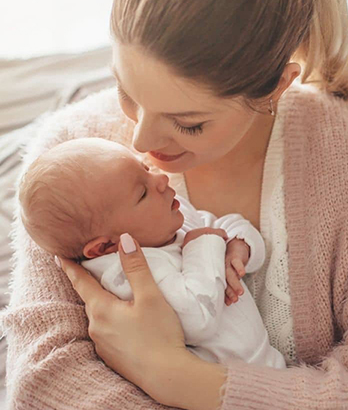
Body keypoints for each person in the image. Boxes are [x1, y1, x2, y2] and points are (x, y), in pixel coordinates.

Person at [2, 0, 348, 410]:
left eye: (188, 123)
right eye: (126, 91)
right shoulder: (71, 160)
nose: (140, 142)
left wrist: (173, 376)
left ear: (277, 84)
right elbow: (43, 392)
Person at [17, 137, 286, 369]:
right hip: (225, 387)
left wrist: (239, 245)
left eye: (145, 168)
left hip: (267, 363)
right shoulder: (126, 275)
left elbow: (226, 224)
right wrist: (203, 244)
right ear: (105, 247)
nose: (160, 179)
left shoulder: (169, 221)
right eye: (142, 193)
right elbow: (198, 319)